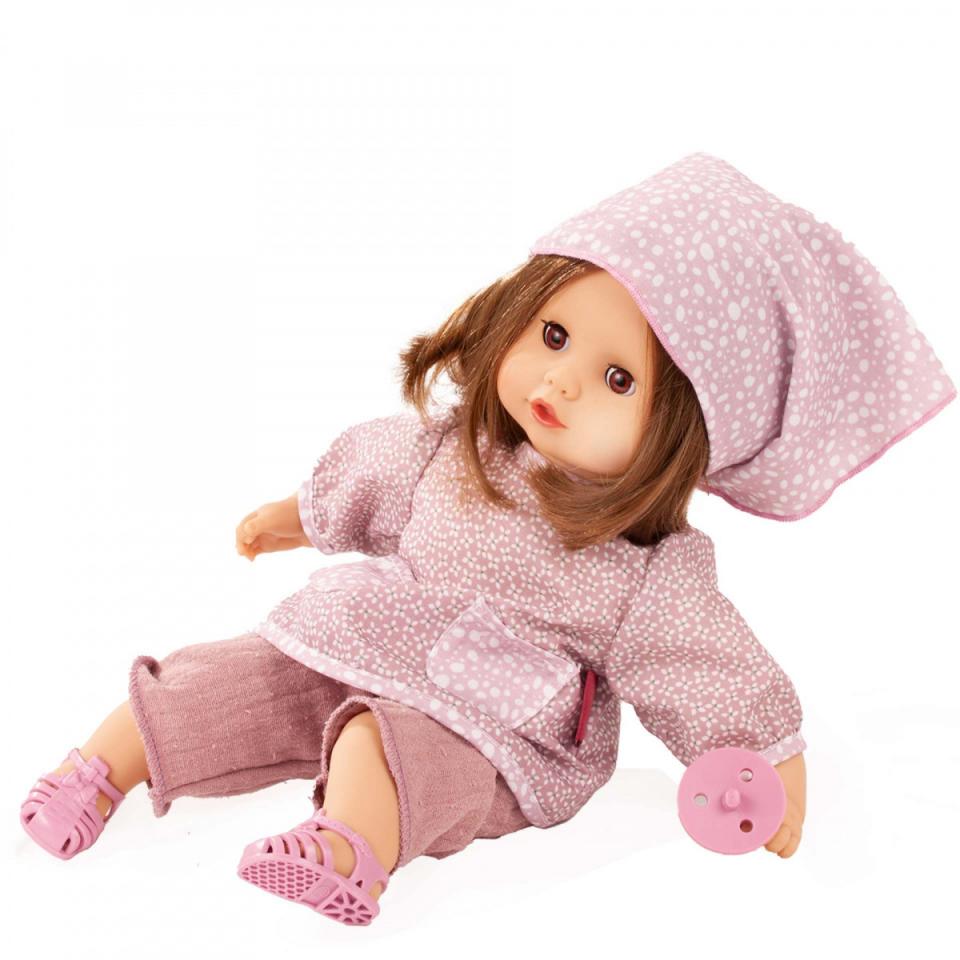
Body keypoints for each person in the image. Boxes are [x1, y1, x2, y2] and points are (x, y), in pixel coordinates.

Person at [20, 152, 955, 926]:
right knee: (221, 678)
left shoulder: (646, 572)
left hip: (492, 723)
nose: (562, 380)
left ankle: (348, 852)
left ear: (685, 436)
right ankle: (94, 771)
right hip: (362, 637)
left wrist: (761, 759)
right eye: (553, 333)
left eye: (619, 380)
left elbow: (706, 662)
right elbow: (368, 480)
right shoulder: (450, 453)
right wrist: (293, 517)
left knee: (382, 747)